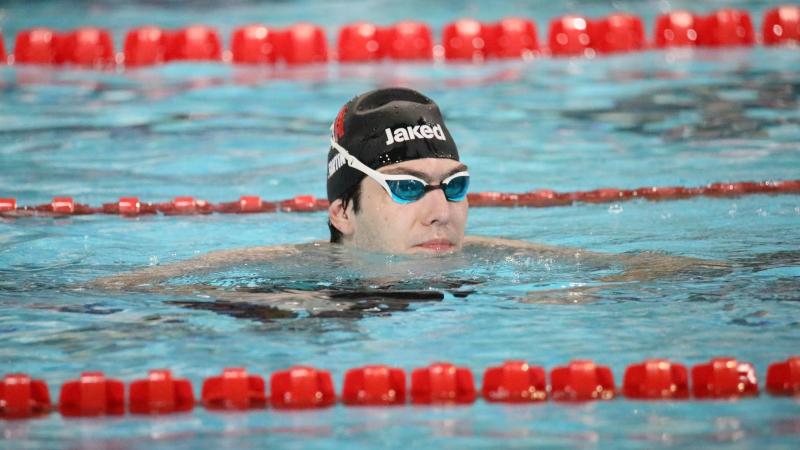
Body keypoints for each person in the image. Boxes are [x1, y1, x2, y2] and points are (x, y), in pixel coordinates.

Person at [91, 87, 726, 315]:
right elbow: (118, 294)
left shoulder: (499, 259)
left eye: (455, 183)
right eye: (404, 187)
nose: (440, 209)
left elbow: (652, 273)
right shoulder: (290, 274)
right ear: (342, 211)